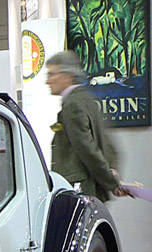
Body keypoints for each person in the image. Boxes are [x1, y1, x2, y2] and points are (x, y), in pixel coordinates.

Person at [46, 51, 127, 202]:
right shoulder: (86, 99)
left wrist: (111, 182)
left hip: (79, 188)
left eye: (51, 74)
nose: (48, 81)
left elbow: (85, 147)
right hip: (90, 188)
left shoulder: (72, 104)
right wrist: (112, 175)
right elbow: (106, 143)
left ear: (67, 76)